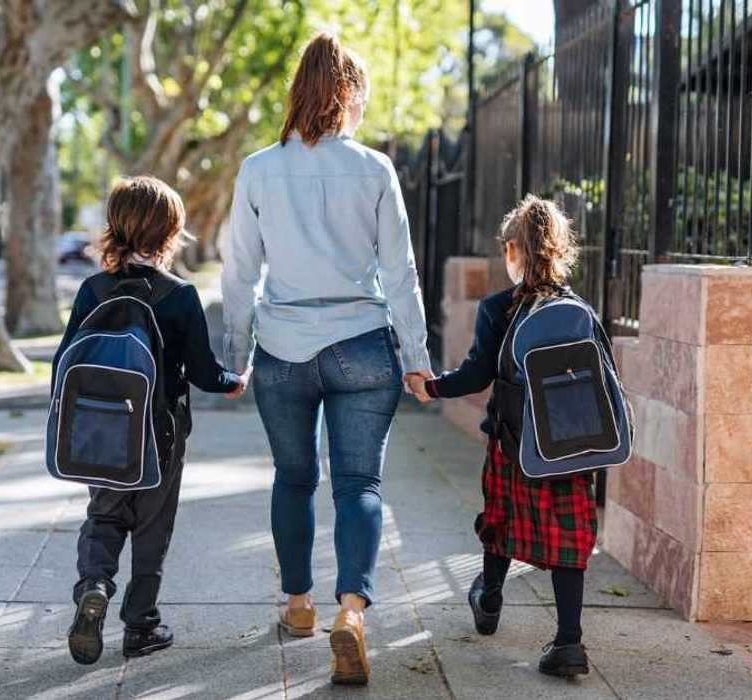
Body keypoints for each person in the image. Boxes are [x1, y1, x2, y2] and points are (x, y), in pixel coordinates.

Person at [221, 32, 432, 686]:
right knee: (358, 485)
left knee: (292, 478)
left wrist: (234, 355)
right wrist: (418, 358)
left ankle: (298, 606)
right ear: (350, 94)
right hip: (361, 344)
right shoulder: (374, 170)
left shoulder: (258, 168)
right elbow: (401, 274)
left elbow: (238, 273)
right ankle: (352, 612)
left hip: (283, 347)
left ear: (299, 92)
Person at [55, 176, 246, 665]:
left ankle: (93, 586)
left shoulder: (93, 289)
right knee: (152, 527)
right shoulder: (180, 296)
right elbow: (203, 373)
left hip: (101, 434)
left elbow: (63, 363)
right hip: (161, 433)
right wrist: (233, 381)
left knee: (104, 515)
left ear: (114, 226)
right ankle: (141, 625)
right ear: (170, 232)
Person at [407, 194, 597, 678]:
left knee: (501, 518)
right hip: (571, 447)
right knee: (569, 536)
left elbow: (475, 375)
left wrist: (431, 387)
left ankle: (489, 598)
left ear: (514, 249)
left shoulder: (499, 308)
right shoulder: (579, 309)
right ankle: (569, 642)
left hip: (514, 442)